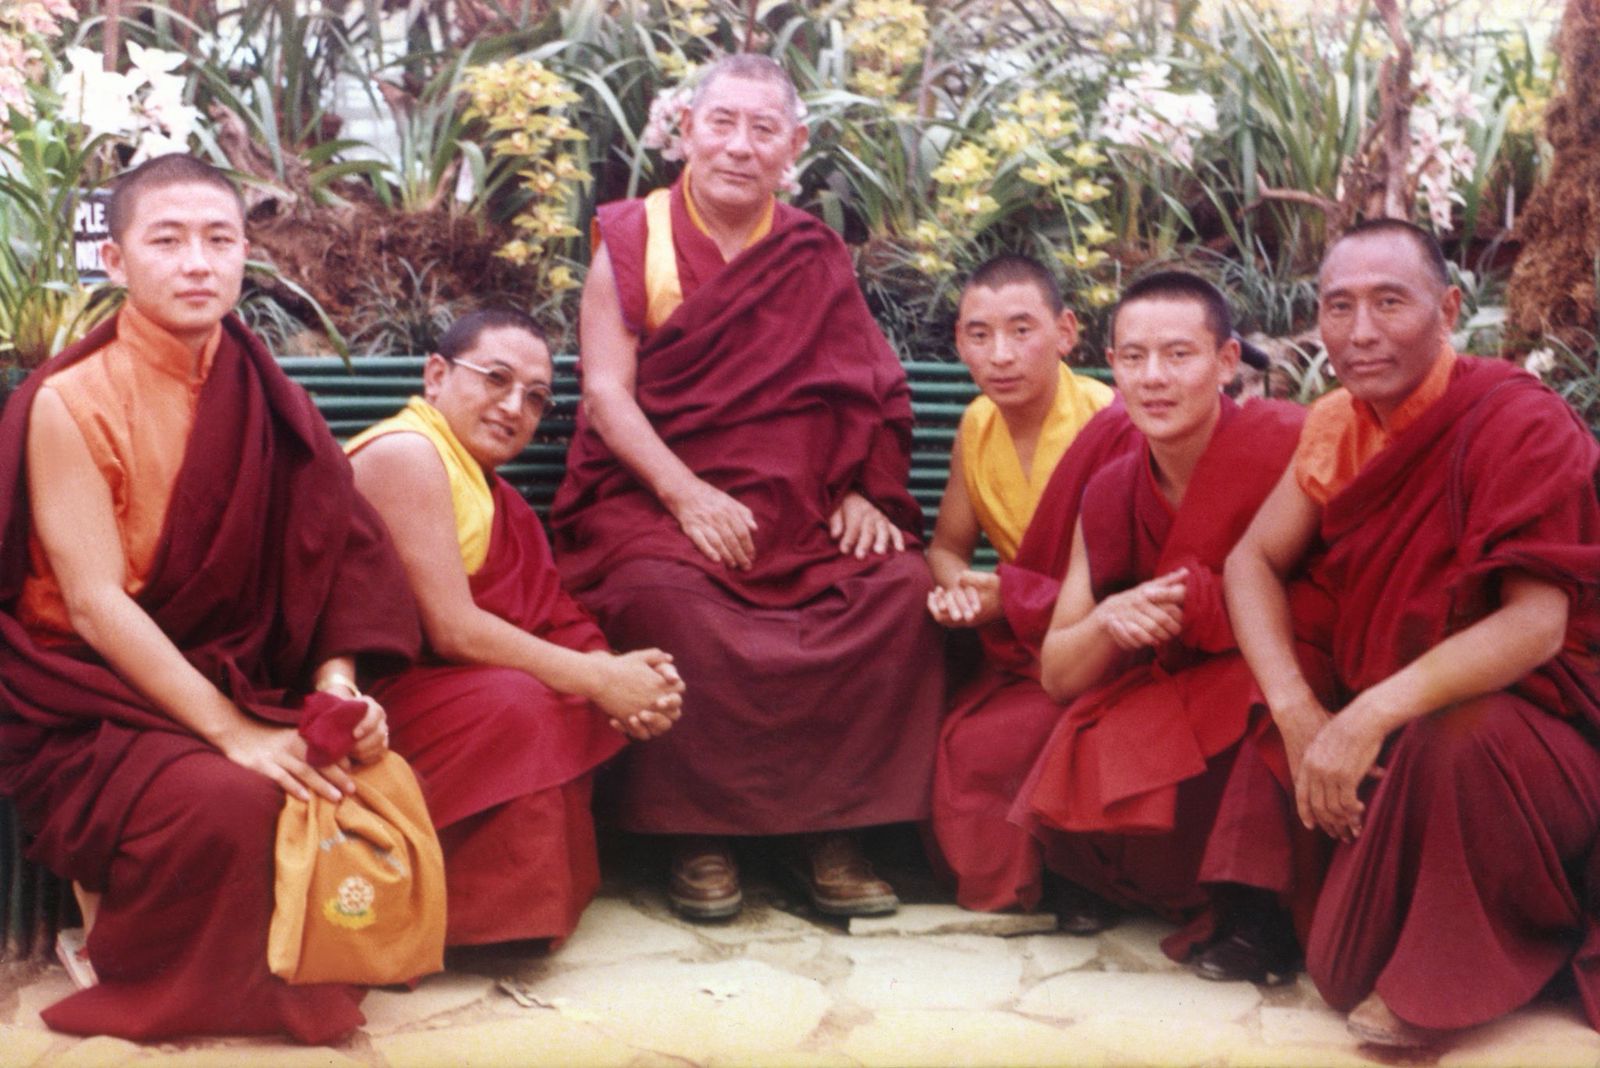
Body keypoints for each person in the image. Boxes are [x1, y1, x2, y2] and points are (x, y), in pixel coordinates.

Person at [0, 154, 420, 1042]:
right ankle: (139, 959)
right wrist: (234, 733)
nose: (197, 262)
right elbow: (93, 605)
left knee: (361, 771)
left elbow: (334, 561)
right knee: (241, 800)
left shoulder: (268, 393)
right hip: (94, 698)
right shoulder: (66, 402)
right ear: (114, 261)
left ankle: (306, 956)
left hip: (236, 671)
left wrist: (339, 685)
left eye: (219, 240)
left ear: (244, 255)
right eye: (168, 240)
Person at [550, 53, 944, 921]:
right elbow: (608, 398)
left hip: (798, 511)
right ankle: (700, 834)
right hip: (656, 498)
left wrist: (859, 492)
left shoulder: (812, 252)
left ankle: (827, 833)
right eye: (721, 123)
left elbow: (862, 386)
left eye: (763, 129)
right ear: (684, 128)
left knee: (893, 588)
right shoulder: (632, 239)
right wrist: (687, 495)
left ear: (793, 145)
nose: (738, 146)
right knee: (663, 598)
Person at [1223, 220, 1600, 1046]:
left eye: (1390, 303)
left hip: (1539, 739)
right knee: (1338, 966)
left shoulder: (1516, 421)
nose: (1360, 333)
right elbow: (1249, 562)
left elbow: (1537, 627)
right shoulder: (1335, 424)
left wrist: (1364, 717)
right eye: (1339, 307)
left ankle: (1471, 967)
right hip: (1412, 726)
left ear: (1449, 310)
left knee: (1464, 732)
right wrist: (1296, 709)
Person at [345, 308, 685, 946]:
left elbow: (544, 607)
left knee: (551, 691)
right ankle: (445, 914)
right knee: (520, 699)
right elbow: (453, 629)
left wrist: (621, 675)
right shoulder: (407, 452)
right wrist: (598, 677)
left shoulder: (485, 487)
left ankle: (500, 916)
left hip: (433, 684)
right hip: (361, 699)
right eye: (495, 379)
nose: (513, 407)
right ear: (436, 374)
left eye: (535, 398)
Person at [1009, 273, 1304, 956]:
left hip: (1281, 666)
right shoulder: (1113, 487)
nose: (1154, 378)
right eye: (1134, 358)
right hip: (1180, 679)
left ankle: (1255, 908)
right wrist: (1113, 618)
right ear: (1110, 367)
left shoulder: (1287, 443)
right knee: (1088, 726)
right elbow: (1057, 670)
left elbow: (1338, 598)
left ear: (1227, 363)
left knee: (1260, 699)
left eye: (1179, 355)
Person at [924, 254, 1134, 914]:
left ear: (1066, 331)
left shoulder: (1112, 422)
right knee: (963, 740)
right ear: (959, 341)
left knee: (1007, 736)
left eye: (1022, 330)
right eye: (979, 335)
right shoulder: (976, 425)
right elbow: (947, 548)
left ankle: (1079, 876)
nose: (1000, 356)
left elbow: (1133, 573)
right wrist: (962, 589)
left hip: (1104, 643)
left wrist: (1009, 596)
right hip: (1024, 639)